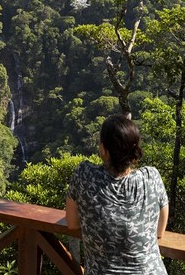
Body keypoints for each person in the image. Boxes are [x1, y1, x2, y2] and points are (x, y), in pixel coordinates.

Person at [65, 115, 169, 274]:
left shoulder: (84, 175)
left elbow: (72, 224)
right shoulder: (151, 178)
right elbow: (159, 232)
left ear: (104, 150)